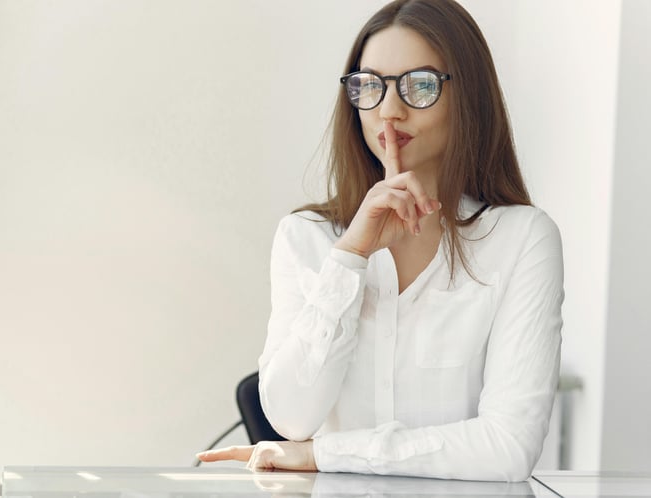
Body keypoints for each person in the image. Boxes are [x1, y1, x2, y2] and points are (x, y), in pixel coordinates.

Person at [198, 0, 563, 482]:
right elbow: (289, 419)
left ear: (468, 95)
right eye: (370, 86)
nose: (389, 110)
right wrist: (350, 256)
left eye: (421, 85)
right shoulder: (306, 238)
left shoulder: (520, 238)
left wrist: (325, 454)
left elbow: (508, 447)